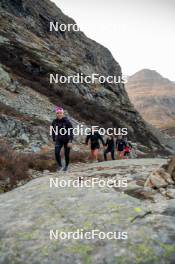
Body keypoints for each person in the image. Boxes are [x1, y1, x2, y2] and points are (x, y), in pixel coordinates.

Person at [51, 106, 73, 172]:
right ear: (56, 114)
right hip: (59, 140)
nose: (59, 114)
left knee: (66, 154)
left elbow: (71, 131)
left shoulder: (67, 121)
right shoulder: (54, 121)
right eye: (58, 113)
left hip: (67, 139)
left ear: (63, 113)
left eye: (60, 113)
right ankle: (60, 165)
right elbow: (53, 130)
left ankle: (66, 166)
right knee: (56, 152)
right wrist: (54, 138)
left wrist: (70, 141)